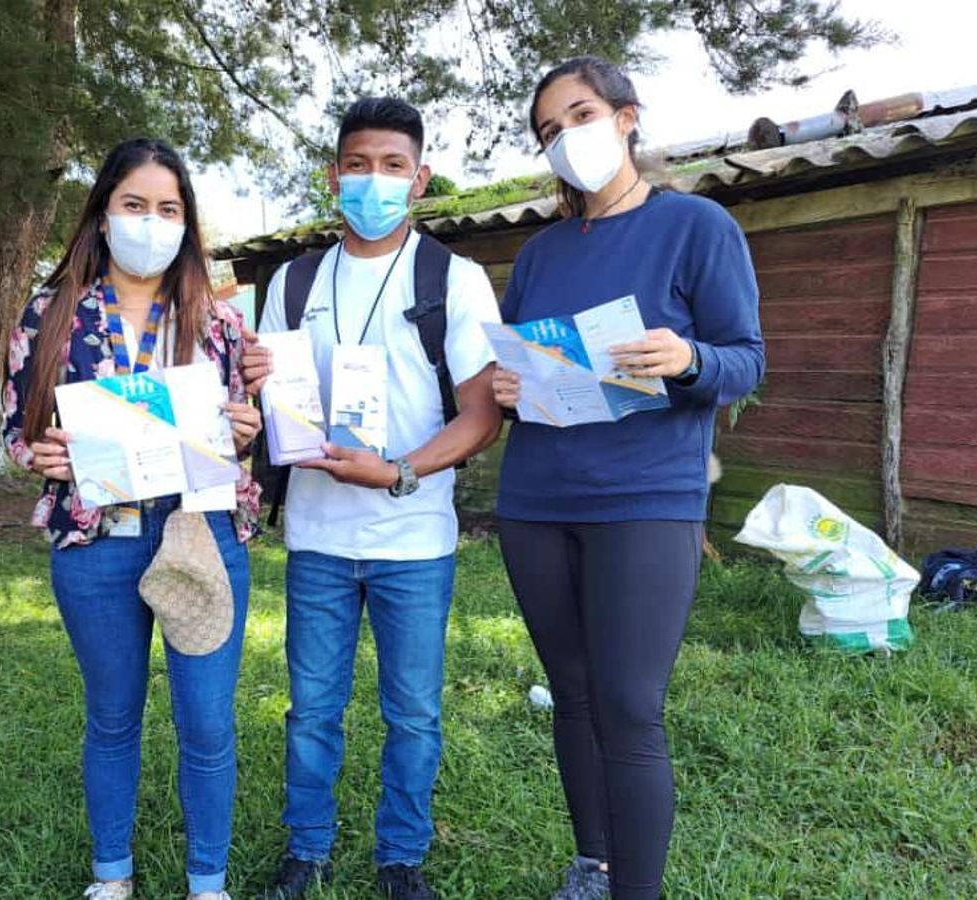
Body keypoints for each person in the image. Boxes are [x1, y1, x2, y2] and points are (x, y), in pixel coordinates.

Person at [490, 57, 765, 900]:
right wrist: (510, 388)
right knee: (570, 693)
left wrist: (687, 358)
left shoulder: (696, 226)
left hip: (645, 500)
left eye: (578, 114)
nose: (565, 138)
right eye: (548, 130)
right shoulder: (539, 252)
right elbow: (526, 365)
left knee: (630, 705)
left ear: (626, 117)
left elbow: (745, 360)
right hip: (537, 499)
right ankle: (593, 865)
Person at [242, 98, 504, 900]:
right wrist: (254, 398)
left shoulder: (453, 280)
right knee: (311, 709)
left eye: (393, 166)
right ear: (333, 177)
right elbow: (268, 405)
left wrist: (397, 472)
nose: (374, 181)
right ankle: (307, 850)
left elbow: (482, 414)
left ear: (419, 180)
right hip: (318, 535)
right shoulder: (291, 281)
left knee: (414, 714)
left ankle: (401, 857)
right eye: (358, 164)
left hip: (414, 538)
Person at [0, 137, 264, 900]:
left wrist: (244, 433)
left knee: (208, 724)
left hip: (201, 537)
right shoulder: (51, 314)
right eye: (135, 205)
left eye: (169, 209)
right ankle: (111, 875)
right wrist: (37, 456)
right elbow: (16, 430)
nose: (153, 222)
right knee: (113, 717)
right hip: (96, 546)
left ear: (187, 223)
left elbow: (238, 432)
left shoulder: (215, 321)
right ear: (103, 213)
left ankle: (206, 883)